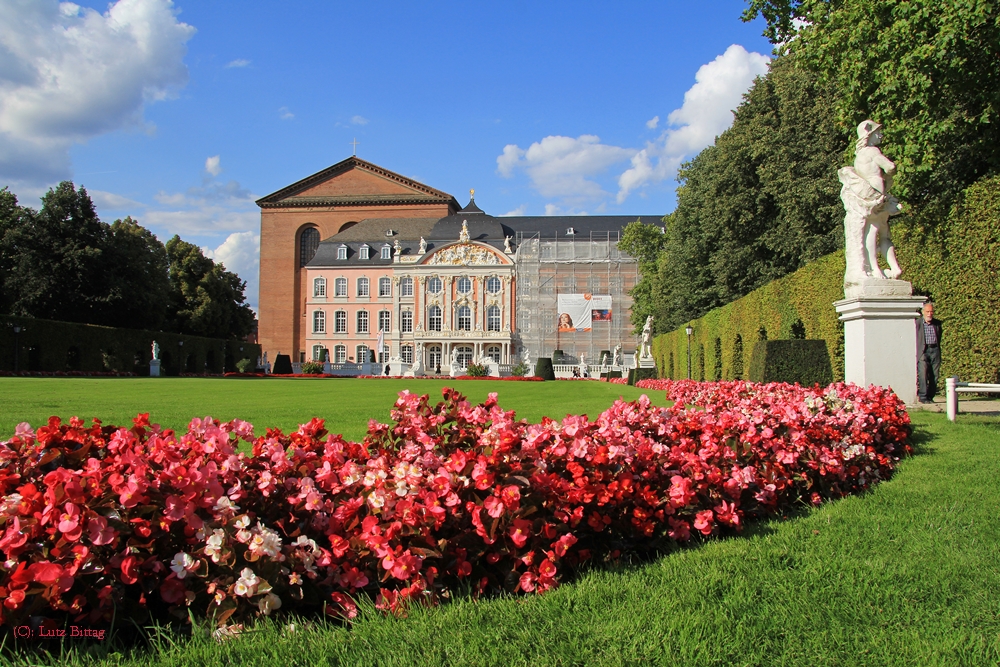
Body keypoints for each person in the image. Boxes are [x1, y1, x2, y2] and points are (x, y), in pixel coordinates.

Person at [916, 302, 942, 404]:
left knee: (935, 374)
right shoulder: (917, 323)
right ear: (923, 312)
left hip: (935, 350)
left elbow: (939, 336)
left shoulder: (937, 324)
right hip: (923, 350)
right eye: (927, 311)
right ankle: (923, 396)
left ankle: (930, 396)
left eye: (931, 311)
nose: (929, 314)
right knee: (923, 373)